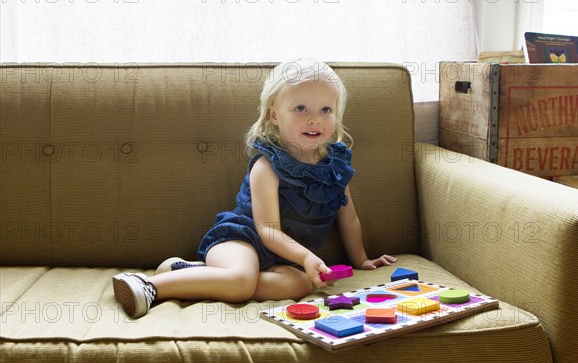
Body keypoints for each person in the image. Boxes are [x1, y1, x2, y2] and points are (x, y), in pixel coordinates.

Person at [113, 58, 397, 319]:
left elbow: (348, 218)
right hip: (242, 240)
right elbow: (269, 231)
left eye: (326, 109)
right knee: (242, 280)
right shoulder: (268, 165)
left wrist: (360, 259)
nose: (314, 119)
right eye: (300, 109)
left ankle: (189, 273)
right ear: (274, 115)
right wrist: (307, 256)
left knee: (300, 284)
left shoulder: (335, 166)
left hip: (282, 259)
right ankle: (149, 285)